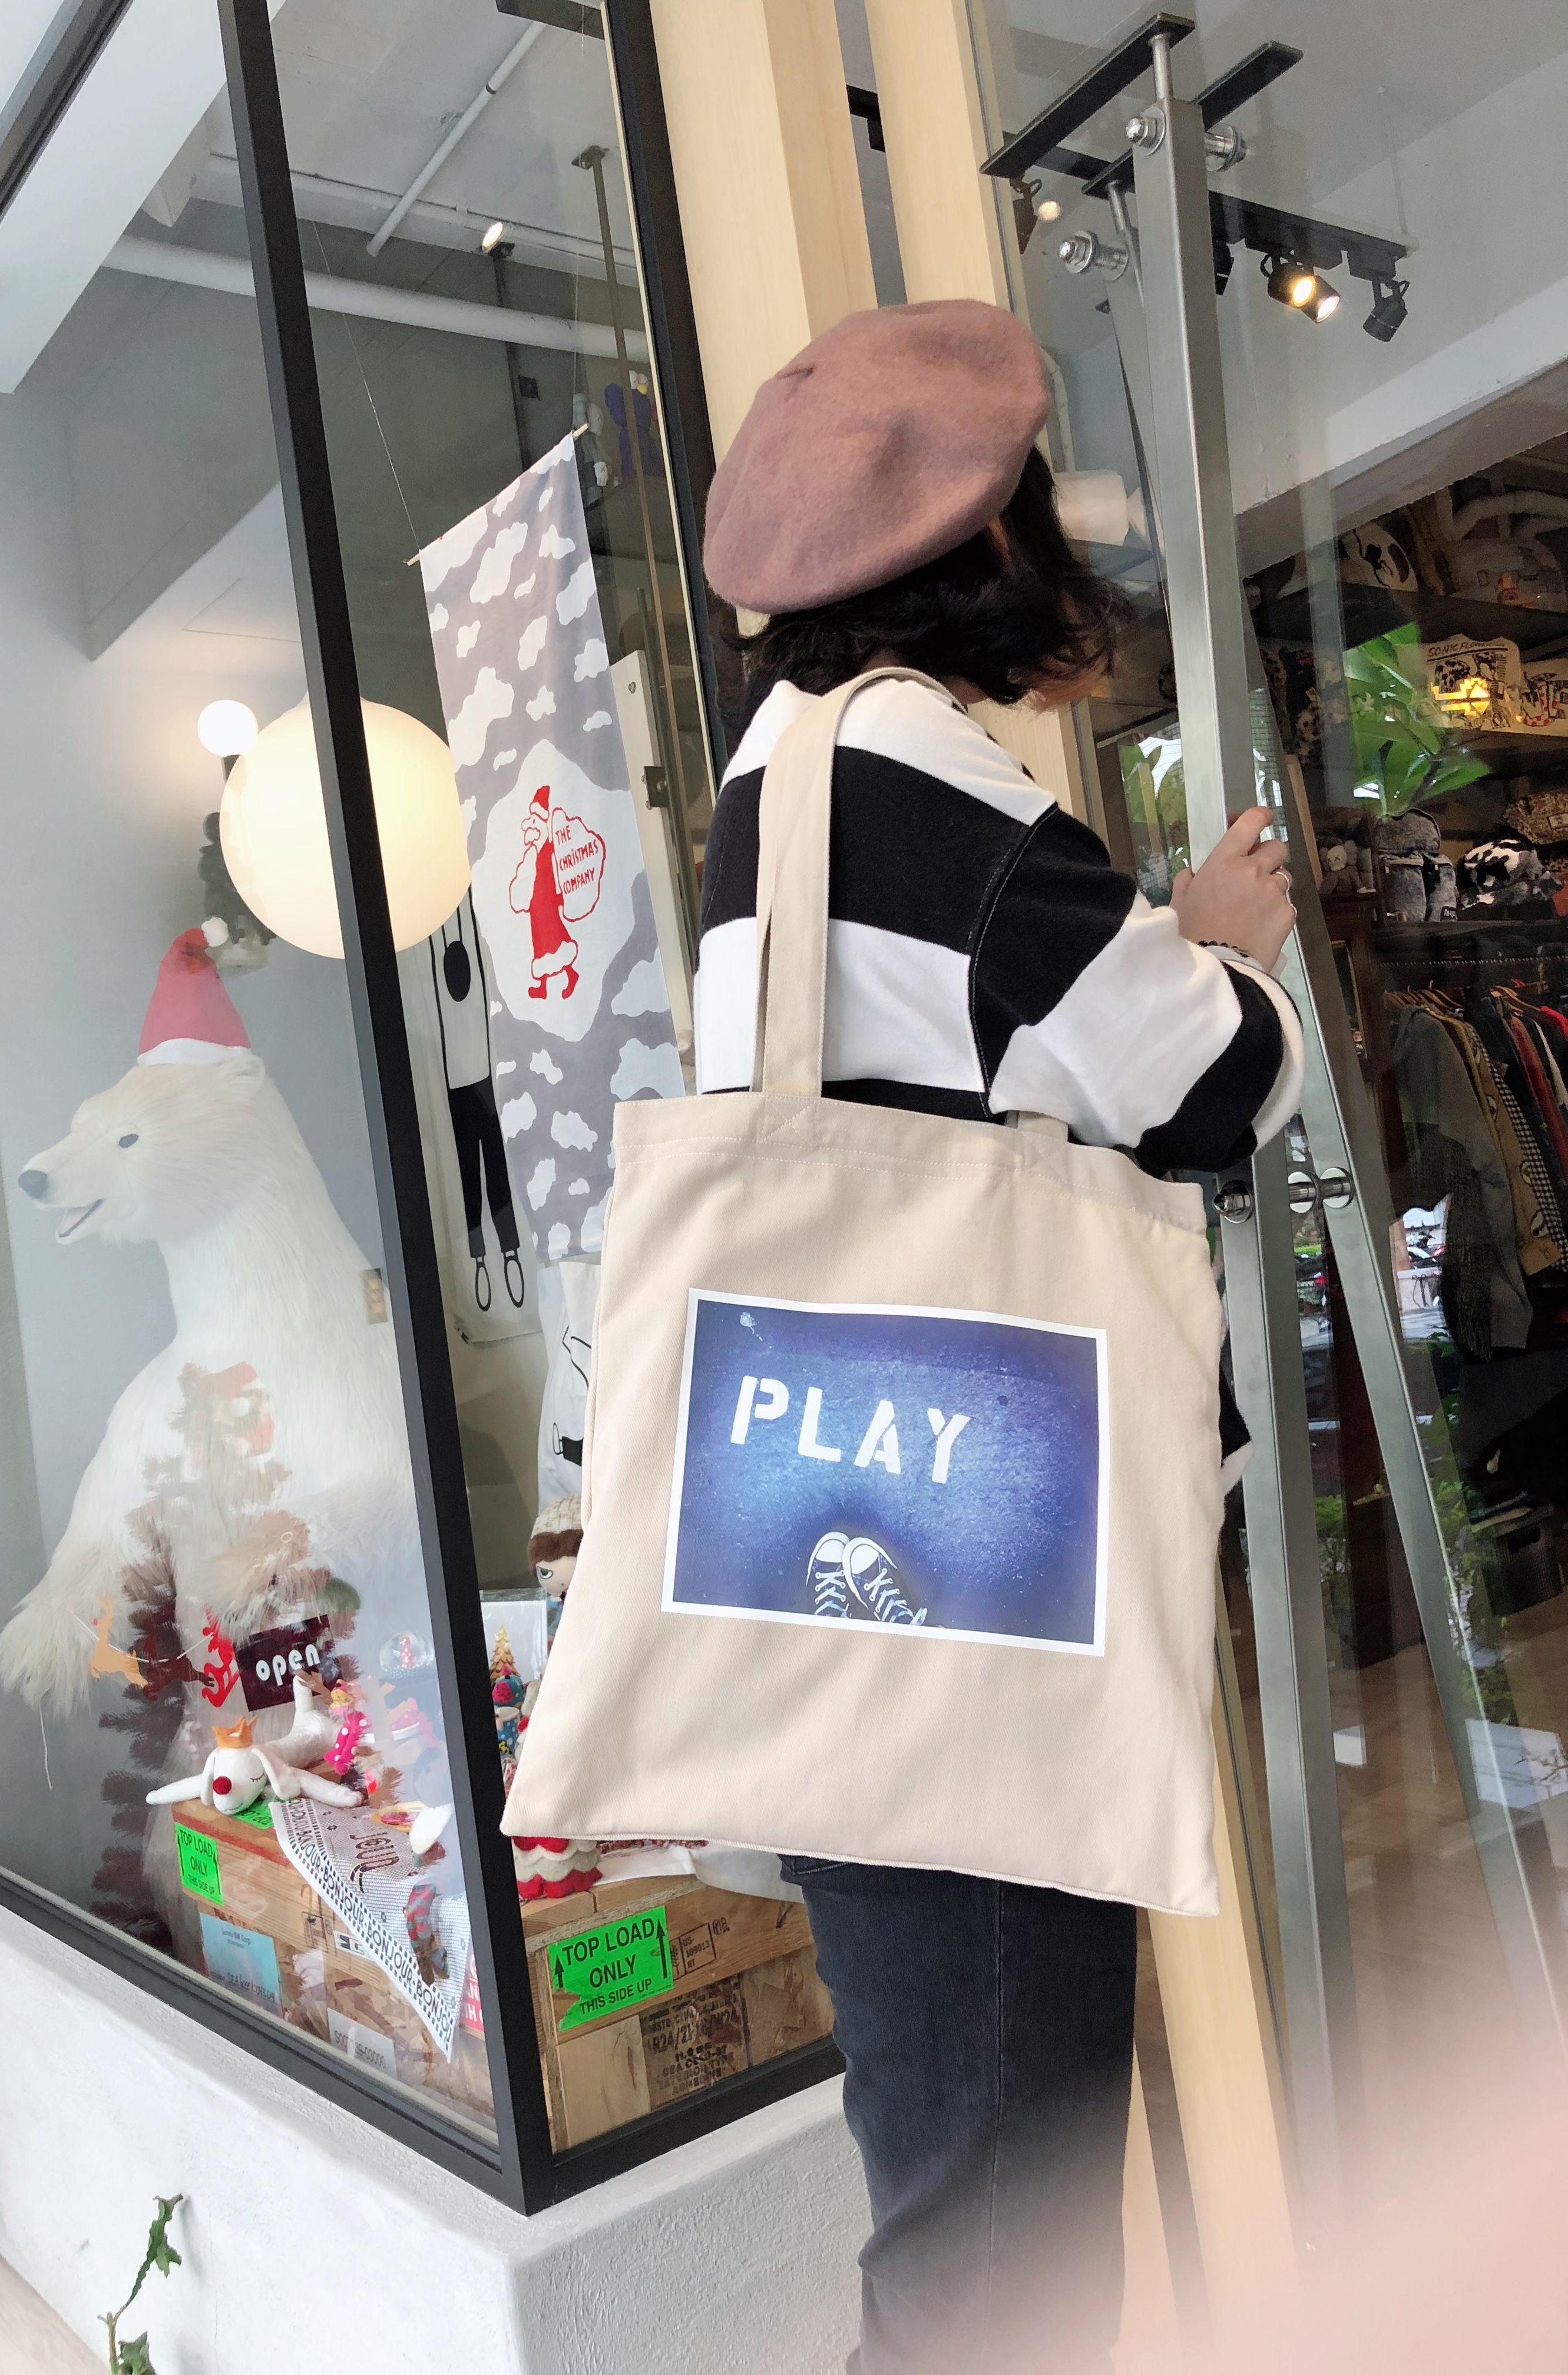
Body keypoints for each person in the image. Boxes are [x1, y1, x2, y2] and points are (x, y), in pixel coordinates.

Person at [695, 300, 1302, 2374]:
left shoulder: (772, 779)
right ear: (982, 538)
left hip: (840, 1559)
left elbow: (956, 1069)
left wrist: (1137, 946)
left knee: (953, 2176)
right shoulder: (918, 771)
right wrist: (1224, 951)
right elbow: (1214, 1088)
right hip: (980, 1586)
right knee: (1006, 2227)